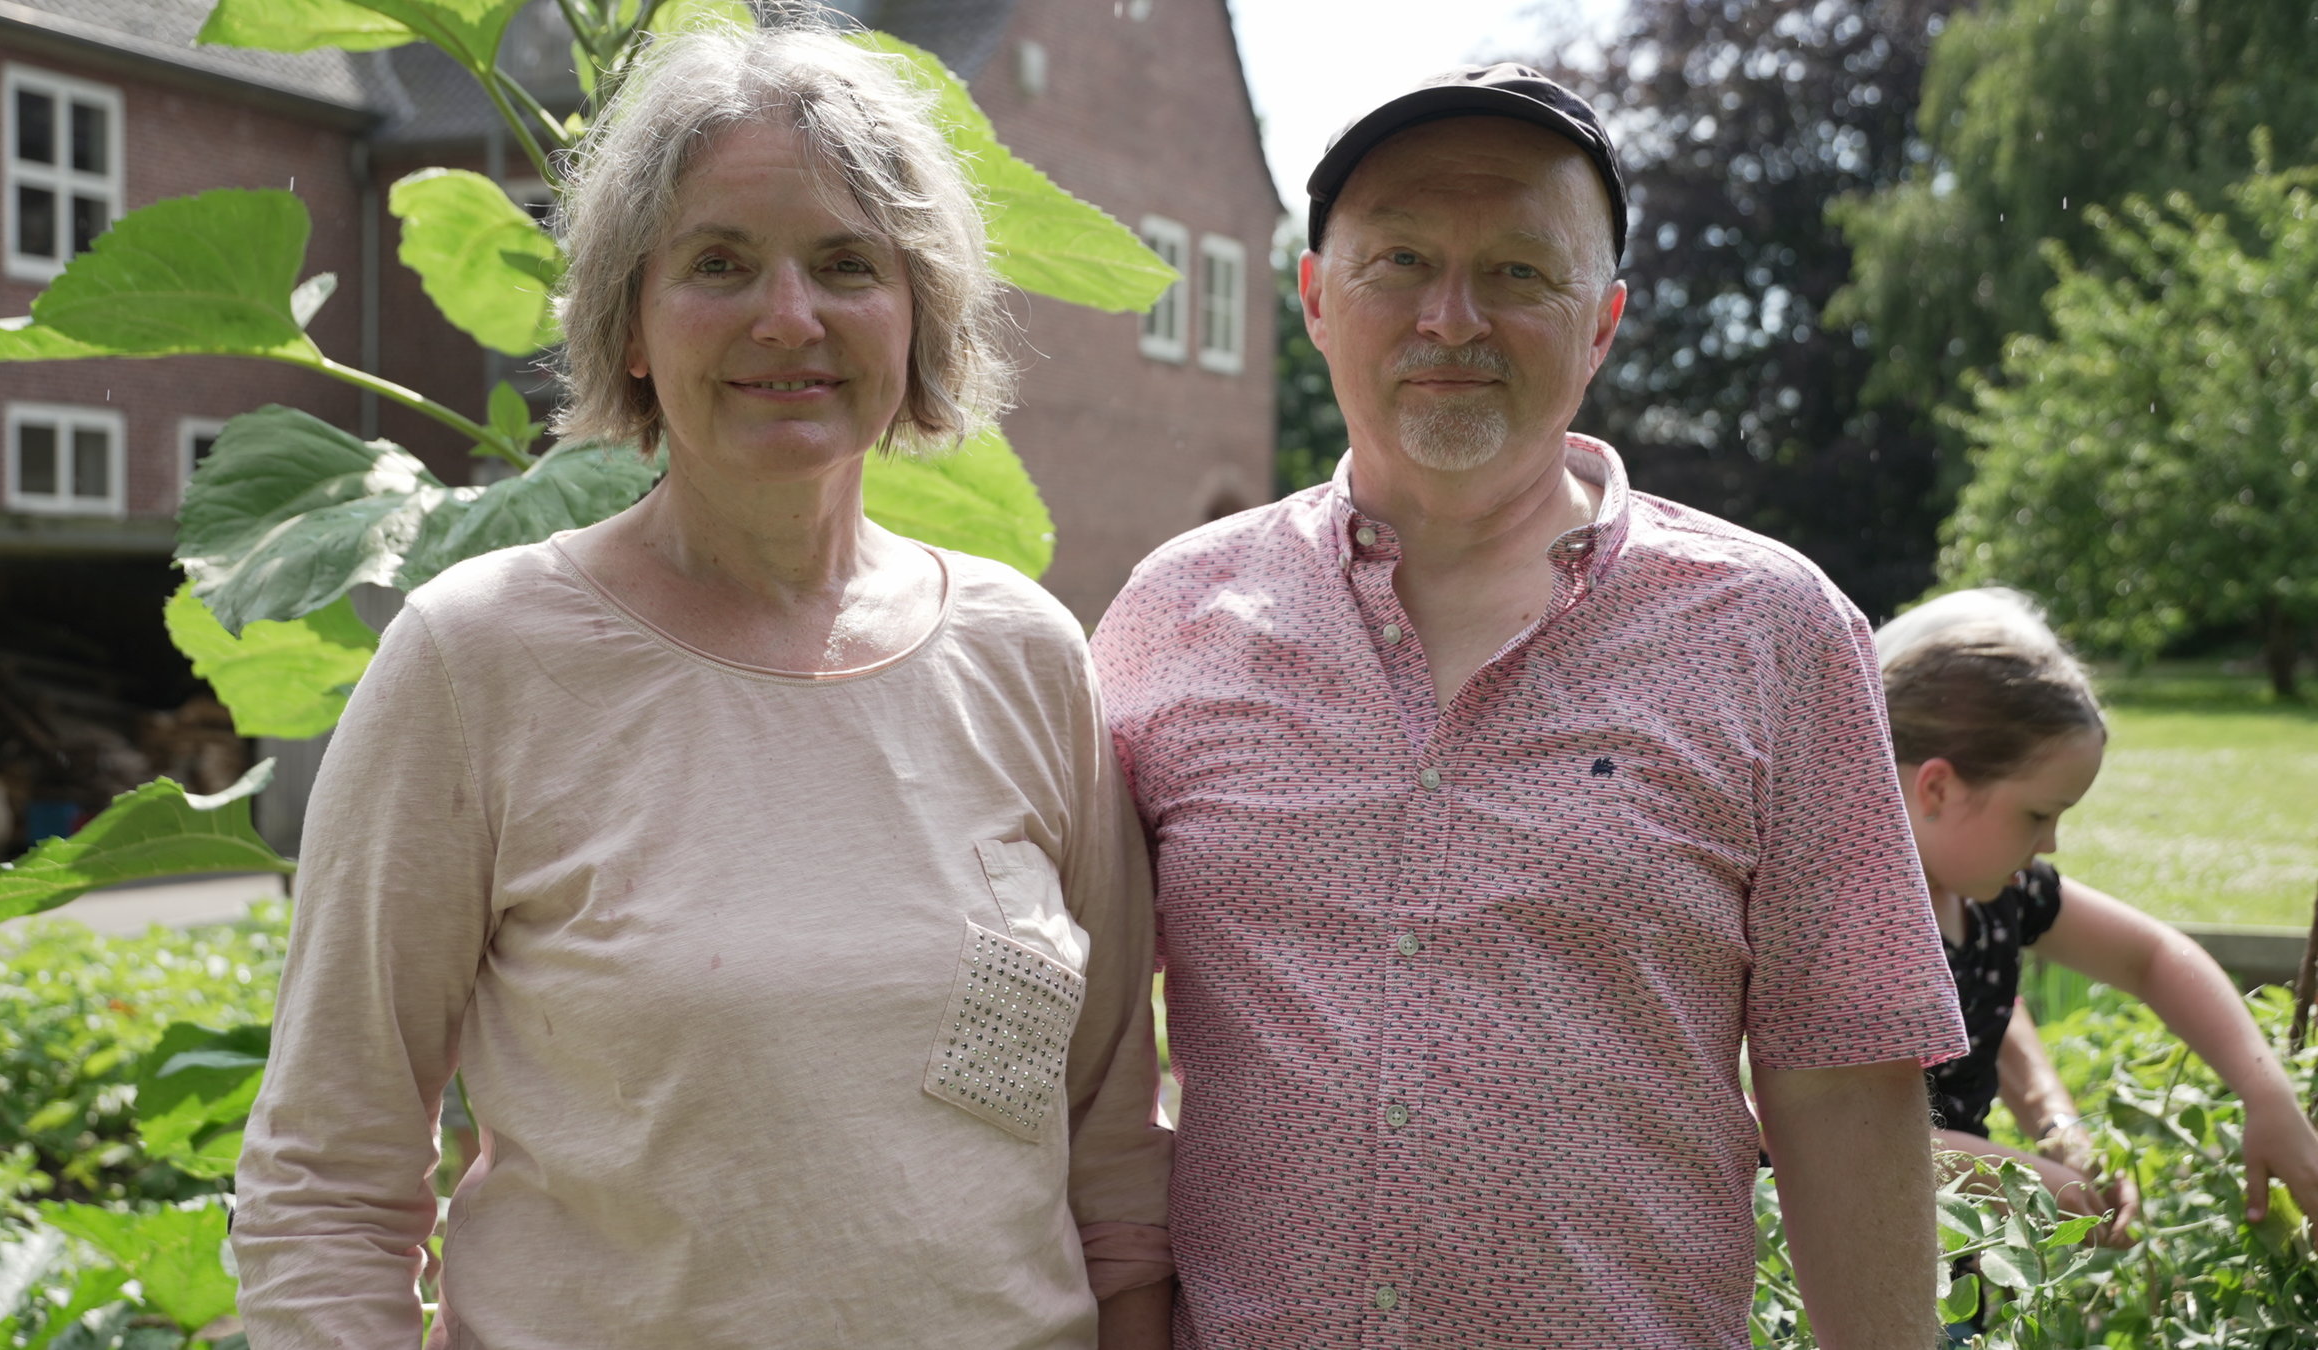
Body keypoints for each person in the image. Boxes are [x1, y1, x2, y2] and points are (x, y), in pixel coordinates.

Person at [229, 24, 1173, 1349]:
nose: (787, 318)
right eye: (718, 263)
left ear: (917, 317)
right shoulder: (476, 660)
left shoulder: (1026, 658)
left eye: (847, 264)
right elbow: (325, 1185)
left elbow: (1114, 1161)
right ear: (626, 322)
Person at [1091, 63, 1968, 1349]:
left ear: (1600, 323)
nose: (1452, 318)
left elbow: (1841, 1077)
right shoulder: (1173, 619)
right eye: (1398, 262)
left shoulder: (1773, 633)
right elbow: (1091, 1054)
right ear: (1318, 301)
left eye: (1517, 272)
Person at [1875, 587, 2318, 1237]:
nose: (2050, 842)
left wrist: (2266, 1095)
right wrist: (2019, 1179)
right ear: (1937, 787)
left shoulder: (1998, 896)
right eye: (2036, 814)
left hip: (1949, 1253)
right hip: (1824, 1275)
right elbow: (1847, 1134)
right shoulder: (1856, 923)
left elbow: (2152, 957)